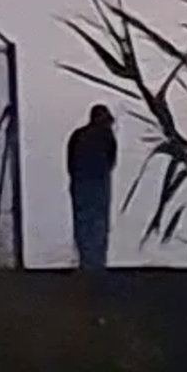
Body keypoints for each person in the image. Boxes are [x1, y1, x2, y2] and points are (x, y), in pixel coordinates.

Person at [64, 99, 119, 279]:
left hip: (80, 182)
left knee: (82, 222)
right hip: (99, 183)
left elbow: (70, 161)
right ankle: (97, 264)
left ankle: (86, 262)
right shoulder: (107, 137)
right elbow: (111, 160)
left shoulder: (78, 135)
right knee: (99, 222)